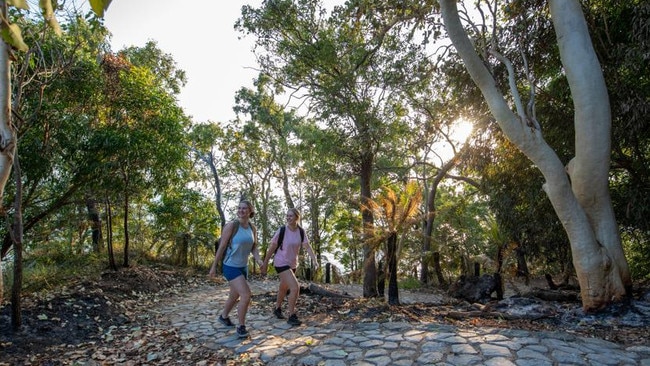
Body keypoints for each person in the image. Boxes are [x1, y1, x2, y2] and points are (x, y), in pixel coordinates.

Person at [213, 200, 263, 338]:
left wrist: (258, 259)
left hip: (243, 266)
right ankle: (241, 326)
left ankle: (223, 317)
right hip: (230, 266)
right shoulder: (231, 226)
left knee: (234, 295)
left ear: (250, 211)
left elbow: (254, 247)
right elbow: (222, 246)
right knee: (246, 295)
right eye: (239, 208)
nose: (241, 210)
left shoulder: (252, 228)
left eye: (245, 208)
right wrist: (213, 267)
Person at [260, 208, 318, 326]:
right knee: (295, 287)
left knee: (283, 287)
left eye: (291, 216)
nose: (288, 218)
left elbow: (307, 246)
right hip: (281, 262)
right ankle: (291, 315)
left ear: (297, 217)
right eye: (287, 216)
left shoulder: (301, 232)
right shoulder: (282, 230)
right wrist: (265, 262)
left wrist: (314, 260)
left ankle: (277, 309)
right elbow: (272, 247)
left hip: (292, 264)